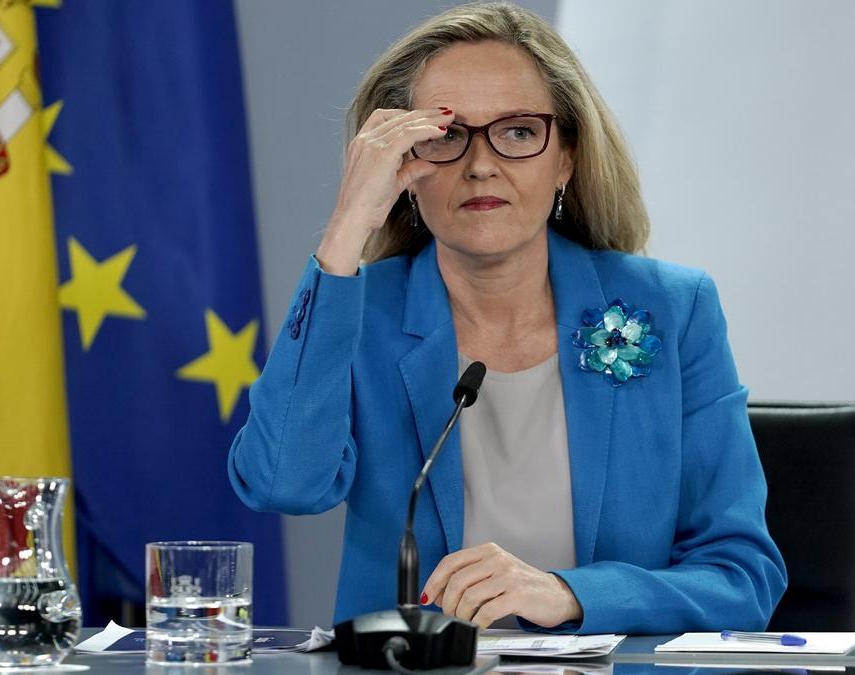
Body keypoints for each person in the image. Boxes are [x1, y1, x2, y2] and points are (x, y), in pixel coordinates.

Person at [228, 2, 786, 634]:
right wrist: (347, 229)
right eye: (444, 134)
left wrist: (571, 594)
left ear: (567, 159)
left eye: (518, 131)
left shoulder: (674, 308)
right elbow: (282, 485)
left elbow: (742, 578)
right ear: (402, 167)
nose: (481, 164)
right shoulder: (356, 313)